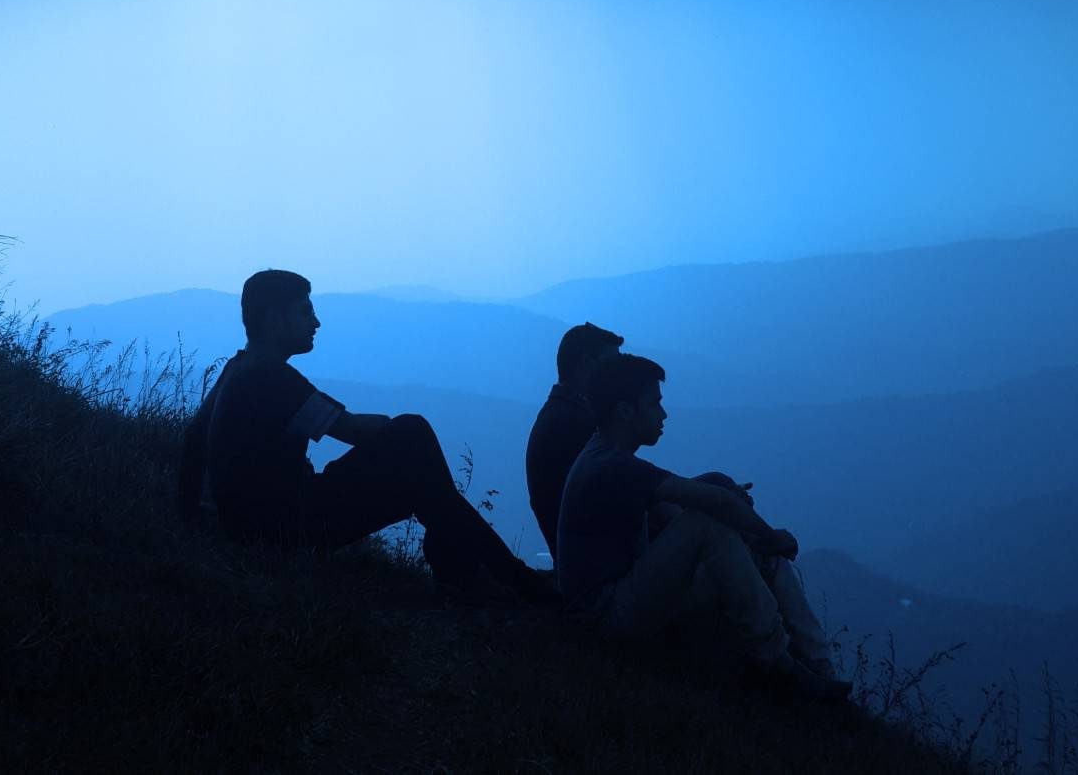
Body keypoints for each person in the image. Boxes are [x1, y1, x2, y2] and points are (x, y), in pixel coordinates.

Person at [177, 269, 558, 604]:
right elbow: (351, 430)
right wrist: (398, 432)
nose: (316, 323)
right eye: (305, 312)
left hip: (254, 526)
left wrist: (192, 518)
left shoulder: (238, 368)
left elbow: (193, 440)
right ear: (274, 319)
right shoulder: (271, 378)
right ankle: (504, 578)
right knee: (413, 433)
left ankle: (485, 575)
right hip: (285, 529)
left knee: (421, 472)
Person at [557, 353, 848, 699]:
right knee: (709, 524)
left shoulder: (604, 457)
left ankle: (820, 670)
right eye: (654, 403)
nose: (663, 414)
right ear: (624, 411)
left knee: (758, 552)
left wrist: (742, 521)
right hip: (606, 616)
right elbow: (709, 505)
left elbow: (680, 504)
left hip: (625, 599)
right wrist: (771, 535)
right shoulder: (613, 466)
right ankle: (776, 663)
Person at [525, 322, 625, 560]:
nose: (620, 374)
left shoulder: (562, 414)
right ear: (586, 363)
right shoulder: (573, 426)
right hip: (599, 564)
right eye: (613, 365)